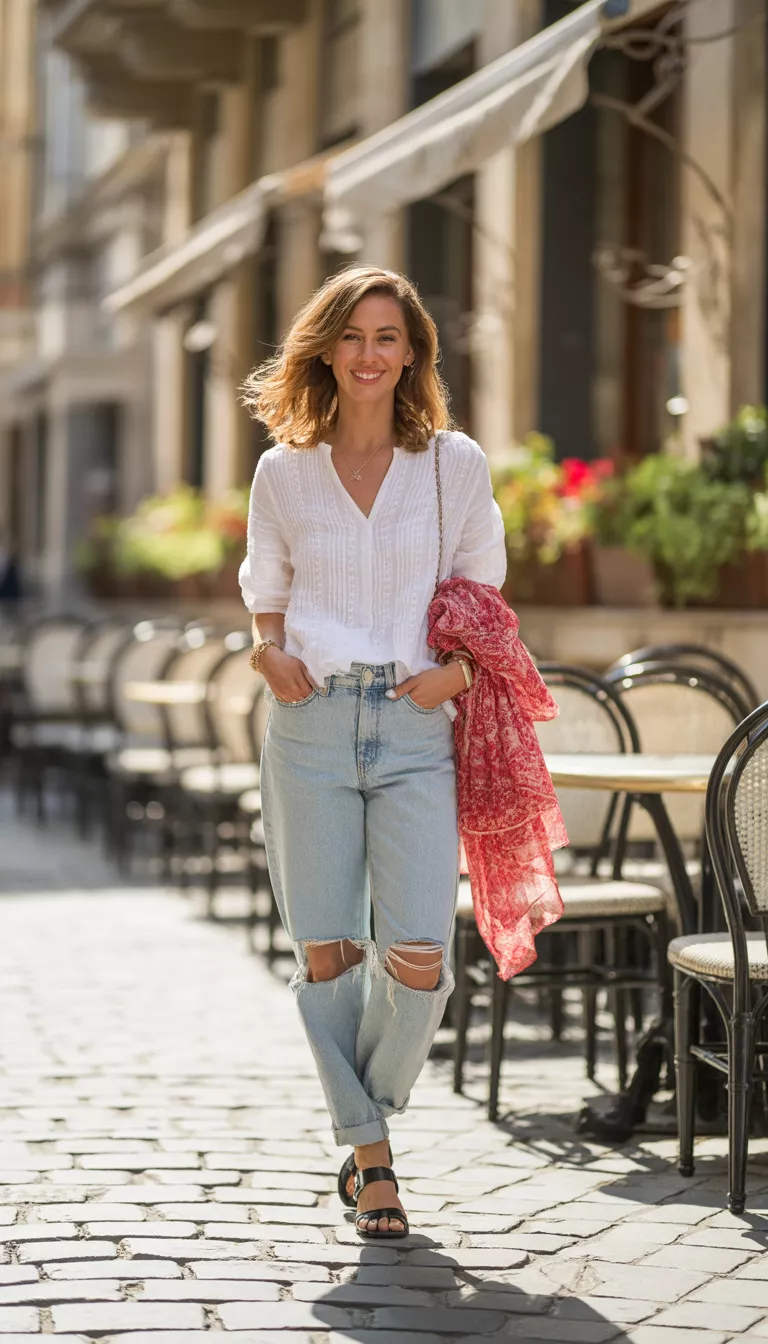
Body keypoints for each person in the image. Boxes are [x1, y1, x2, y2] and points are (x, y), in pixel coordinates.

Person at [238, 265, 506, 1239]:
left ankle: (364, 1112)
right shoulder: (284, 471)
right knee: (329, 955)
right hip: (309, 725)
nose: (367, 354)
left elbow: (485, 593)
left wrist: (456, 678)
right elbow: (263, 583)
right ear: (326, 349)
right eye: (351, 336)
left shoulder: (453, 465)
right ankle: (374, 1161)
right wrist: (268, 652)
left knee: (422, 952)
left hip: (410, 724)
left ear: (412, 354)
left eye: (387, 337)